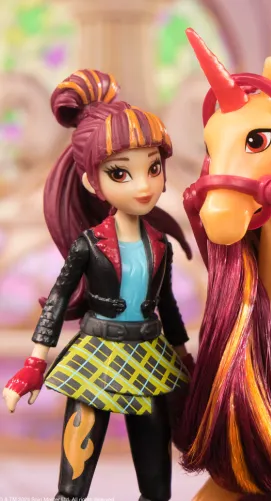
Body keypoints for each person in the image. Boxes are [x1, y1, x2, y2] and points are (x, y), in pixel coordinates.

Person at [2, 69, 195, 501]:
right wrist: (34, 365)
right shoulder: (89, 244)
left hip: (149, 357)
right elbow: (57, 298)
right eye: (122, 173)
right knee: (73, 484)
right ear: (93, 181)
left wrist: (185, 359)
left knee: (157, 487)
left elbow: (166, 304)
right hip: (97, 356)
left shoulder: (159, 244)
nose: (144, 185)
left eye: (153, 168)